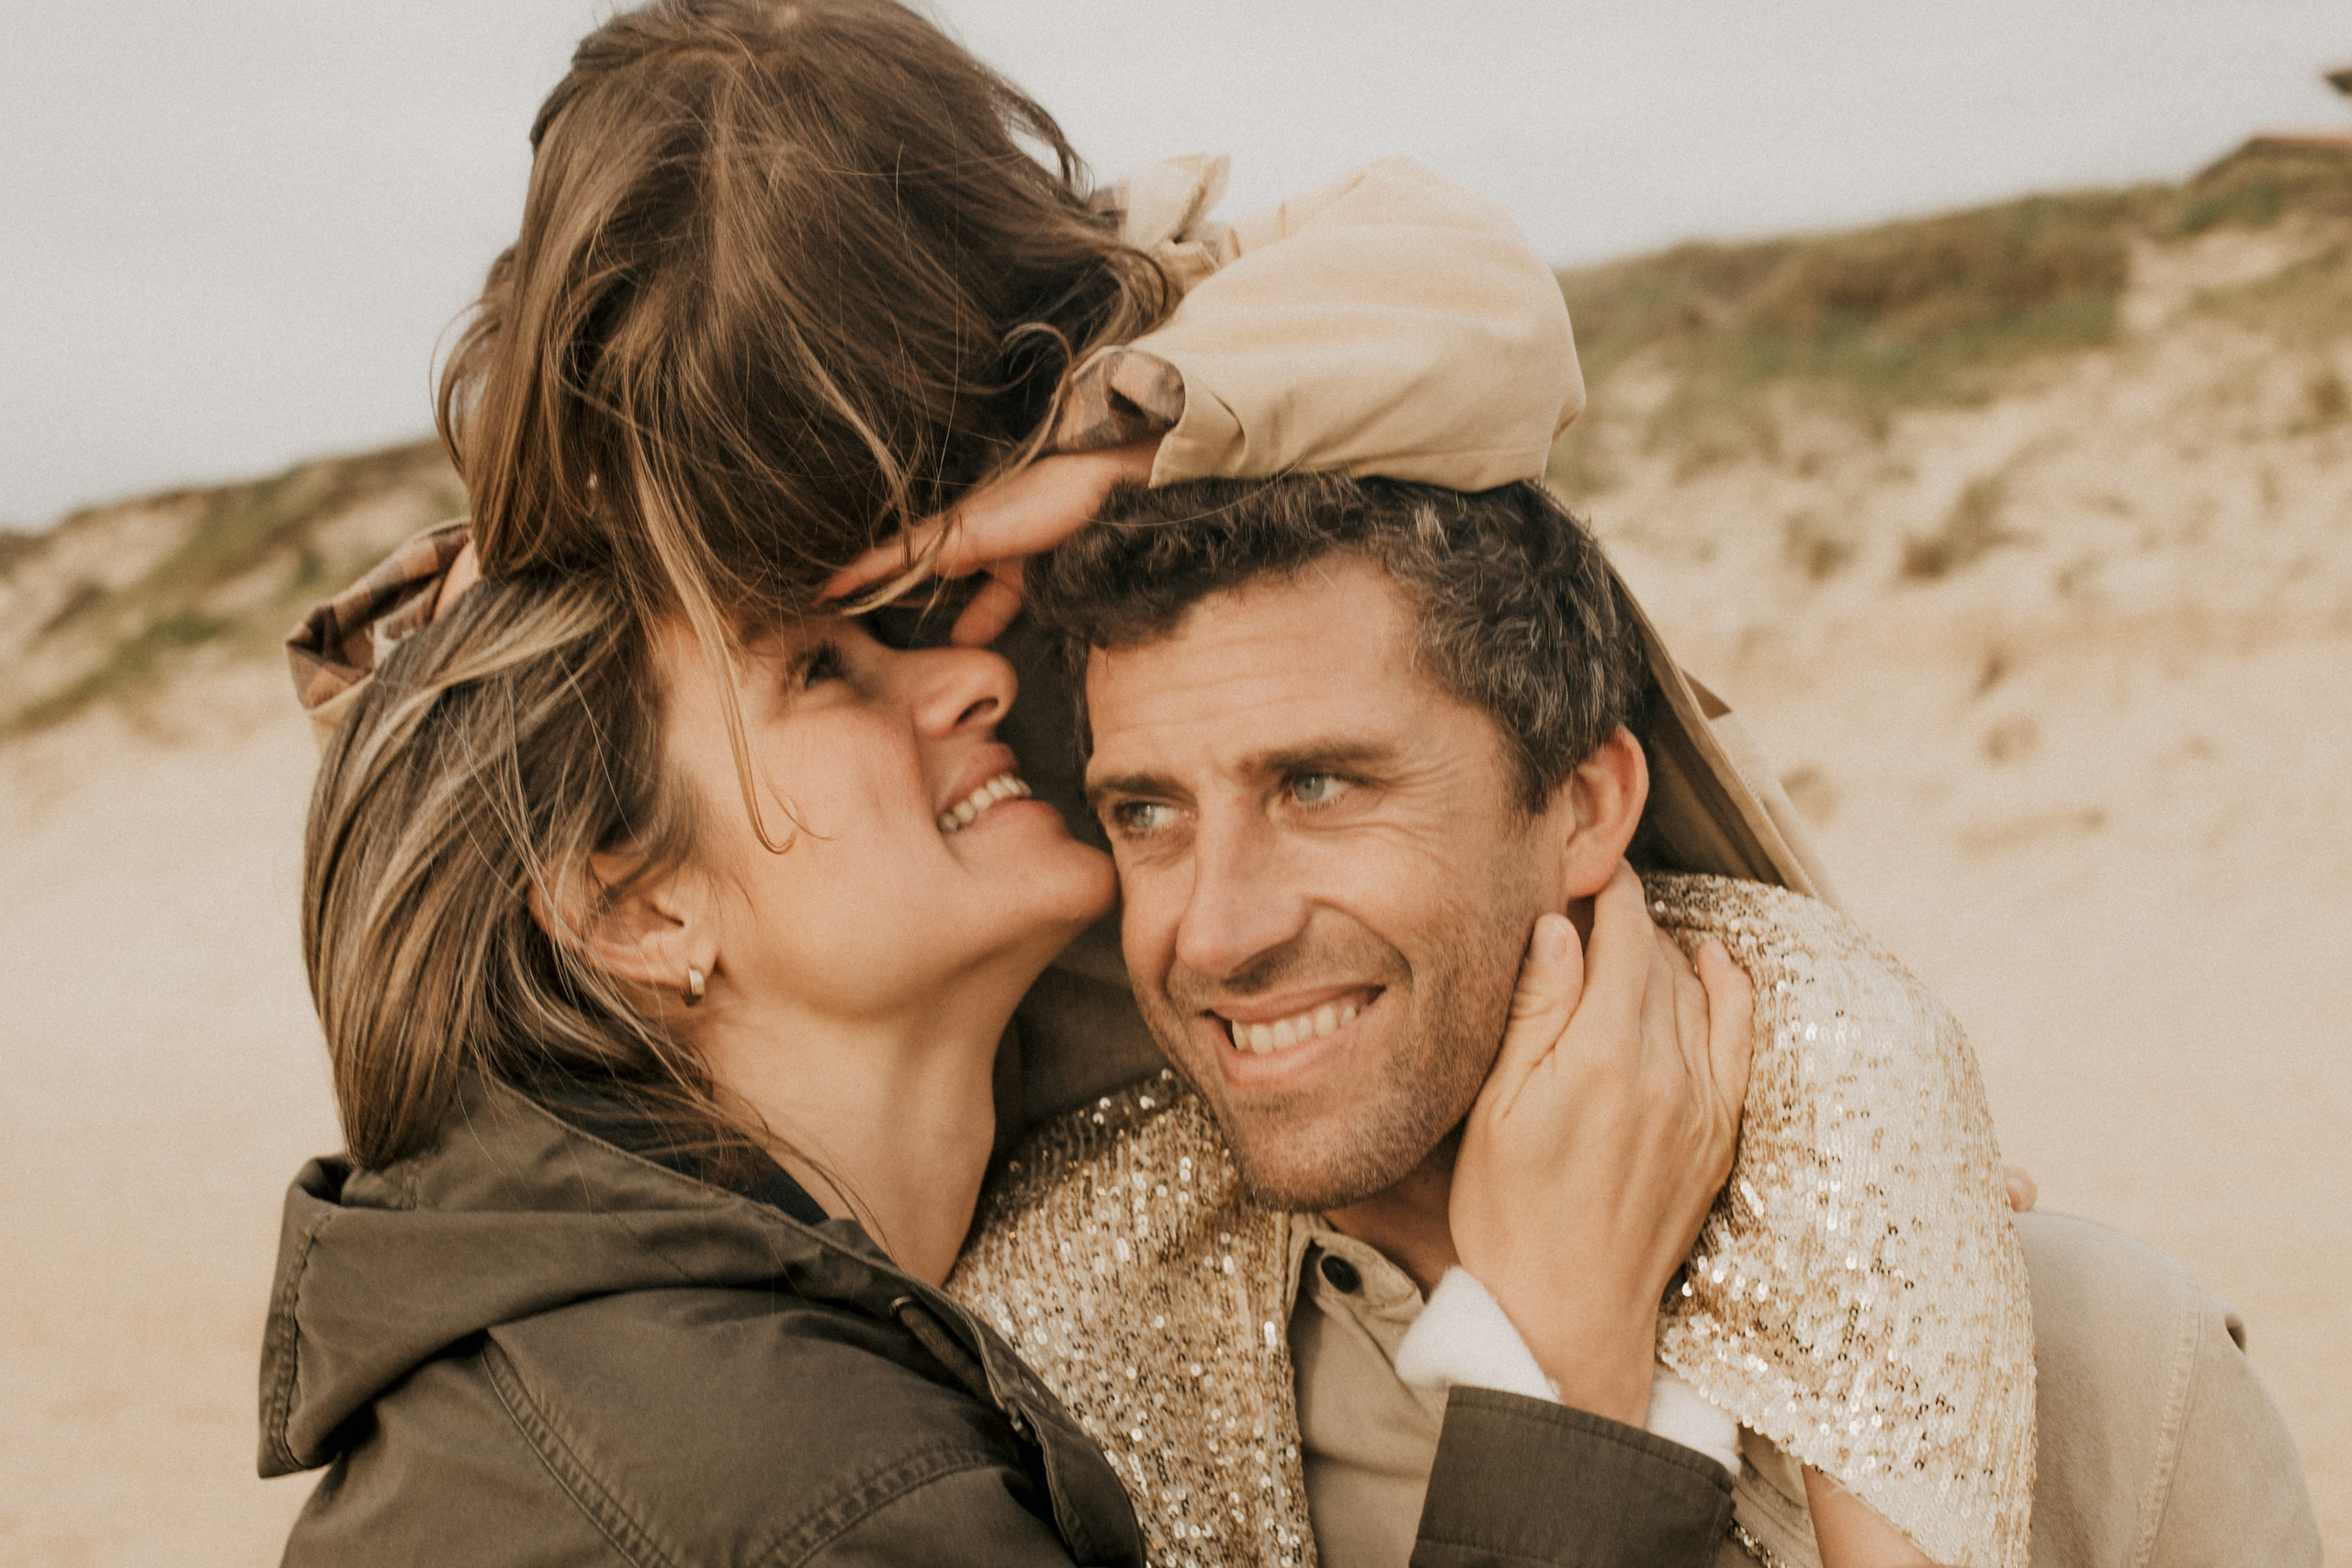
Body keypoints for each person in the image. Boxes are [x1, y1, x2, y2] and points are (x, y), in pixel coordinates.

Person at [262, 1, 1741, 1562]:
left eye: (877, 572)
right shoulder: (812, 1487)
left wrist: (1125, 433)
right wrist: (1561, 1399)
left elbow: (1472, 292)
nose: (952, 648)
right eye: (816, 650)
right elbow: (473, 775)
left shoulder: (1112, 374)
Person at [938, 471, 2324, 1568]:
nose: (1221, 928)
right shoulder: (1045, 1412)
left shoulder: (2101, 1365)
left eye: (1318, 786)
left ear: (1586, 807)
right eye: (1148, 814)